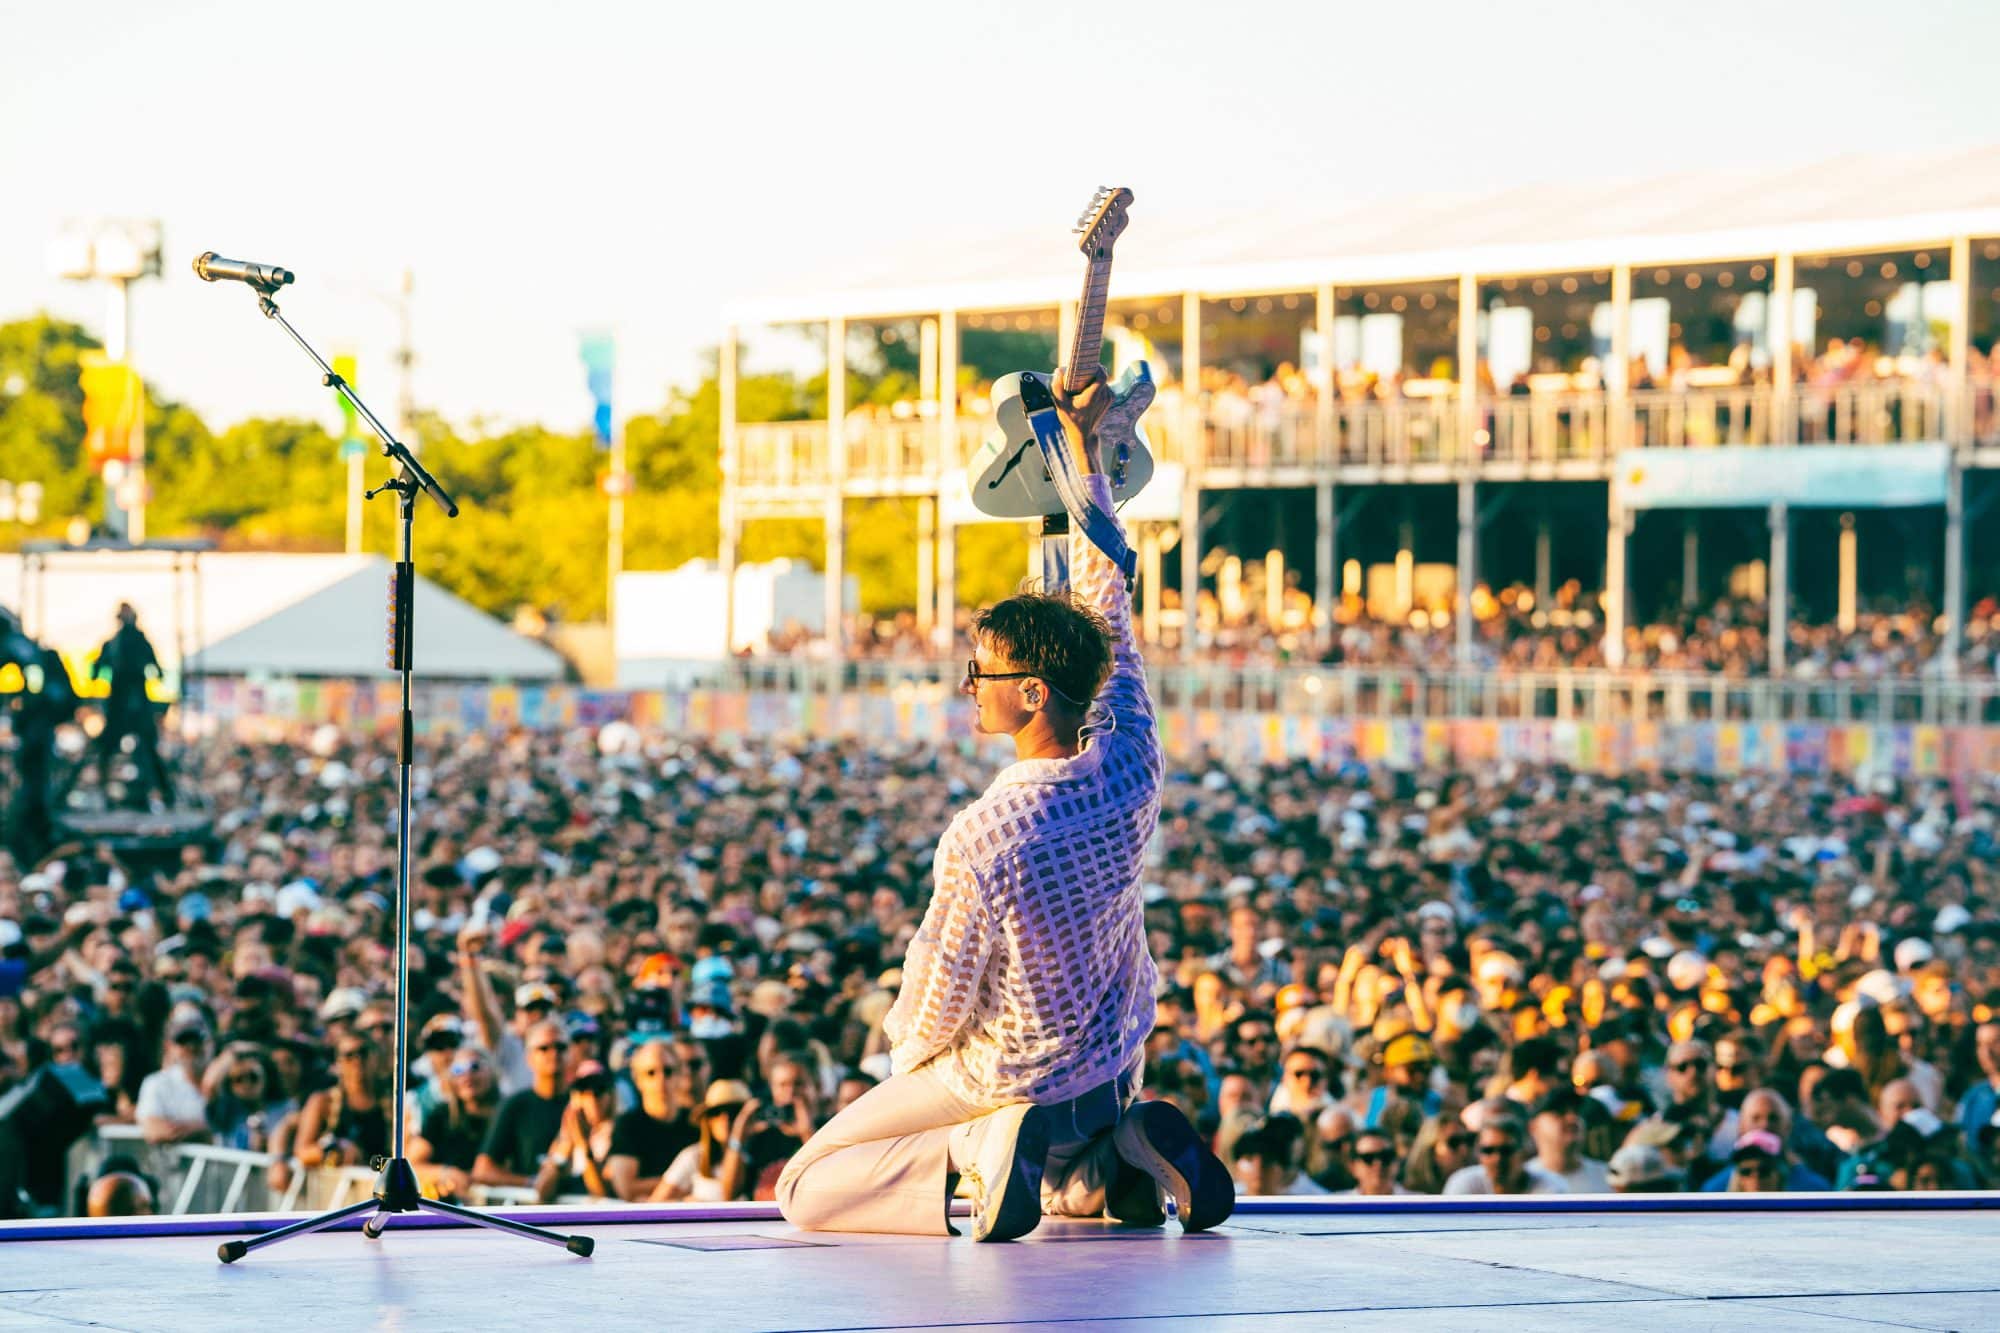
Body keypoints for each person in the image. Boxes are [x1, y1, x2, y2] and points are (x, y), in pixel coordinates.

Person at [777, 367, 1231, 1242]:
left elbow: (939, 996)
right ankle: (1119, 1154)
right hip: (1108, 1063)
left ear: (1029, 692)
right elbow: (1110, 600)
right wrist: (1090, 462)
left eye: (981, 673)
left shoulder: (987, 831)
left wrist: (905, 1069)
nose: (968, 687)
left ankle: (978, 1150)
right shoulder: (1131, 758)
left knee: (808, 1183)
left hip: (1007, 1074)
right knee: (1067, 1197)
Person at [90, 603, 172, 810]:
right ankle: (106, 793)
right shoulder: (117, 643)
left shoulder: (132, 642)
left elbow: (155, 667)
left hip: (133, 702)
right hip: (122, 703)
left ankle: (161, 793)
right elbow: (99, 667)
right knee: (113, 748)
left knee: (145, 751)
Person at [472, 1019, 566, 1187]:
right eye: (544, 1048)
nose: (554, 1053)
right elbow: (483, 1170)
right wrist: (531, 1183)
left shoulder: (585, 1100)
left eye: (560, 1047)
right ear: (529, 1058)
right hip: (533, 1206)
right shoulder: (516, 1105)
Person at [605, 1039, 697, 1201]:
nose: (661, 1080)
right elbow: (625, 1189)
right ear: (637, 1080)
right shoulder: (628, 1125)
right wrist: (683, 1182)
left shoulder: (695, 1122)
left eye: (668, 1071)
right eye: (651, 1073)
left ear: (680, 1074)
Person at [1444, 1114, 1568, 1195]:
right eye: (1488, 1150)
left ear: (1523, 1153)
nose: (1497, 1158)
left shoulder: (1550, 1186)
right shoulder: (1463, 1183)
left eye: (1506, 1151)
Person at [135, 1022, 211, 1146]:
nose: (191, 1047)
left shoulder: (224, 1079)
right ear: (170, 1047)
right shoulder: (157, 1083)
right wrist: (204, 1130)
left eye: (197, 1041)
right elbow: (154, 1131)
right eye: (183, 1042)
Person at [1529, 1089, 1610, 1193]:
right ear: (1533, 1127)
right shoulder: (1520, 1182)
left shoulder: (1608, 1179)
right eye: (1559, 1112)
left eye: (1577, 1111)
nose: (1572, 1118)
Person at [1338, 1130, 1414, 1196]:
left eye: (1385, 1156)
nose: (1378, 1164)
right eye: (1368, 1158)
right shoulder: (1336, 1206)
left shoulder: (1418, 1204)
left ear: (1397, 1162)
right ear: (1353, 1167)